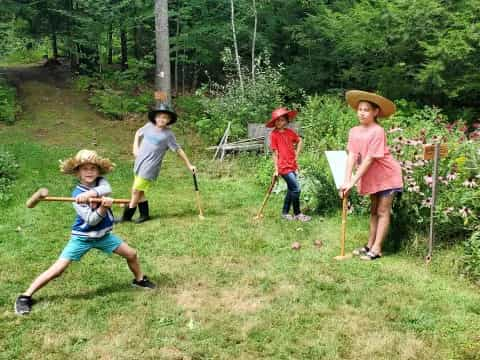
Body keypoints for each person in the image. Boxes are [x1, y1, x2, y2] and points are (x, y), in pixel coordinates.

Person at [15, 150, 155, 315]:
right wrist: (103, 207)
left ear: (98, 171)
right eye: (84, 169)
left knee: (131, 254)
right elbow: (91, 220)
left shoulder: (101, 182)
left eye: (93, 168)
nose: (89, 172)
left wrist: (91, 194)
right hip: (83, 238)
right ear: (77, 172)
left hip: (104, 236)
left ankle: (139, 280)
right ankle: (25, 296)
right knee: (58, 269)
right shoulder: (76, 195)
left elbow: (106, 188)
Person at [340, 90, 403, 260]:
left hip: (387, 175)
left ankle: (377, 248)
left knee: (383, 211)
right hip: (372, 177)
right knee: (374, 210)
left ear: (375, 112)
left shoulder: (378, 131)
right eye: (360, 109)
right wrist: (346, 180)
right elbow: (352, 156)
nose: (362, 112)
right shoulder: (354, 131)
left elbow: (368, 160)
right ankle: (369, 245)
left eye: (366, 109)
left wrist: (353, 181)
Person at [118, 104, 196, 223]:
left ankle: (126, 217)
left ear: (169, 120)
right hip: (139, 162)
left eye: (165, 117)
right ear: (155, 117)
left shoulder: (168, 134)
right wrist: (135, 148)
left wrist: (189, 165)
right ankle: (144, 215)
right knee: (140, 192)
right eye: (159, 116)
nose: (161, 119)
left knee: (135, 190)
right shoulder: (148, 126)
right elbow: (138, 133)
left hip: (150, 166)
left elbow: (178, 150)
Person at [266, 107, 311, 222]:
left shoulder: (289, 132)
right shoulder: (274, 135)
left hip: (292, 165)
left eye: (282, 120)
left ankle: (285, 213)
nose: (279, 122)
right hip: (283, 167)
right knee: (296, 189)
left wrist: (297, 155)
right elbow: (275, 153)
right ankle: (297, 214)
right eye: (277, 120)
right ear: (274, 122)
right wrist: (276, 169)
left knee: (291, 190)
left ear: (286, 121)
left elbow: (300, 140)